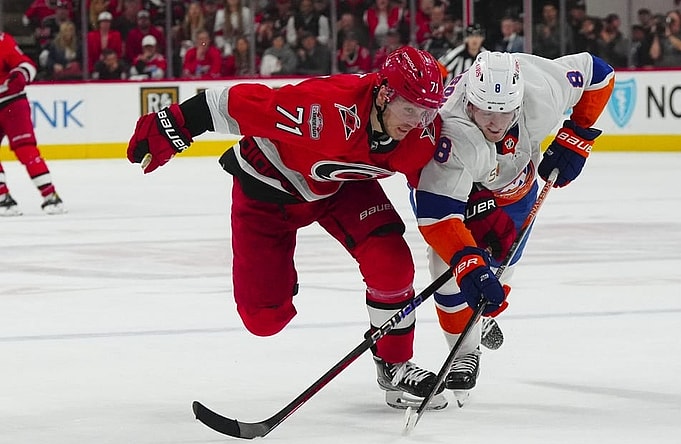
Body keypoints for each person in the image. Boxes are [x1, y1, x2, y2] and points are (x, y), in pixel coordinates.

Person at [125, 47, 449, 409]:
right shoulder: (320, 110)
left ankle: (394, 364)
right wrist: (169, 127)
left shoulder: (424, 131)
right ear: (385, 94)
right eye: (410, 109)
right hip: (268, 193)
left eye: (427, 111)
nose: (418, 122)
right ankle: (277, 281)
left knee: (392, 262)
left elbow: (452, 188)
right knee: (264, 318)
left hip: (340, 187)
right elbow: (224, 103)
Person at [413, 51, 614, 399]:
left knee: (500, 273)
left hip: (516, 189)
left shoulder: (540, 89)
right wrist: (466, 262)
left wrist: (577, 134)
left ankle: (478, 317)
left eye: (504, 111)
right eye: (485, 111)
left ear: (519, 99)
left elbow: (599, 72)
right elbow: (436, 214)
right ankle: (464, 353)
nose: (495, 122)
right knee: (443, 264)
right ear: (468, 101)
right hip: (461, 193)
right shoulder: (448, 128)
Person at [0, 33, 66, 216]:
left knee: (25, 149)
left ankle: (50, 195)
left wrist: (20, 75)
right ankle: (3, 198)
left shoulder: (2, 41)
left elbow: (27, 65)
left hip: (12, 103)